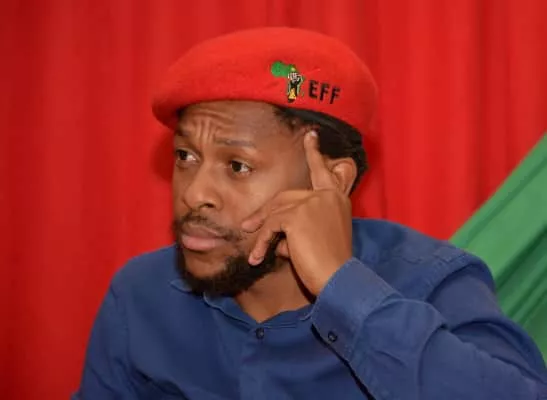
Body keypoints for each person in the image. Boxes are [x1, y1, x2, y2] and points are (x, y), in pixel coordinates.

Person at [73, 27, 547, 399]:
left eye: (237, 166)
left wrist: (345, 288)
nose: (195, 194)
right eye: (185, 157)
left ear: (332, 181)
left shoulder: (431, 283)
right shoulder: (142, 296)